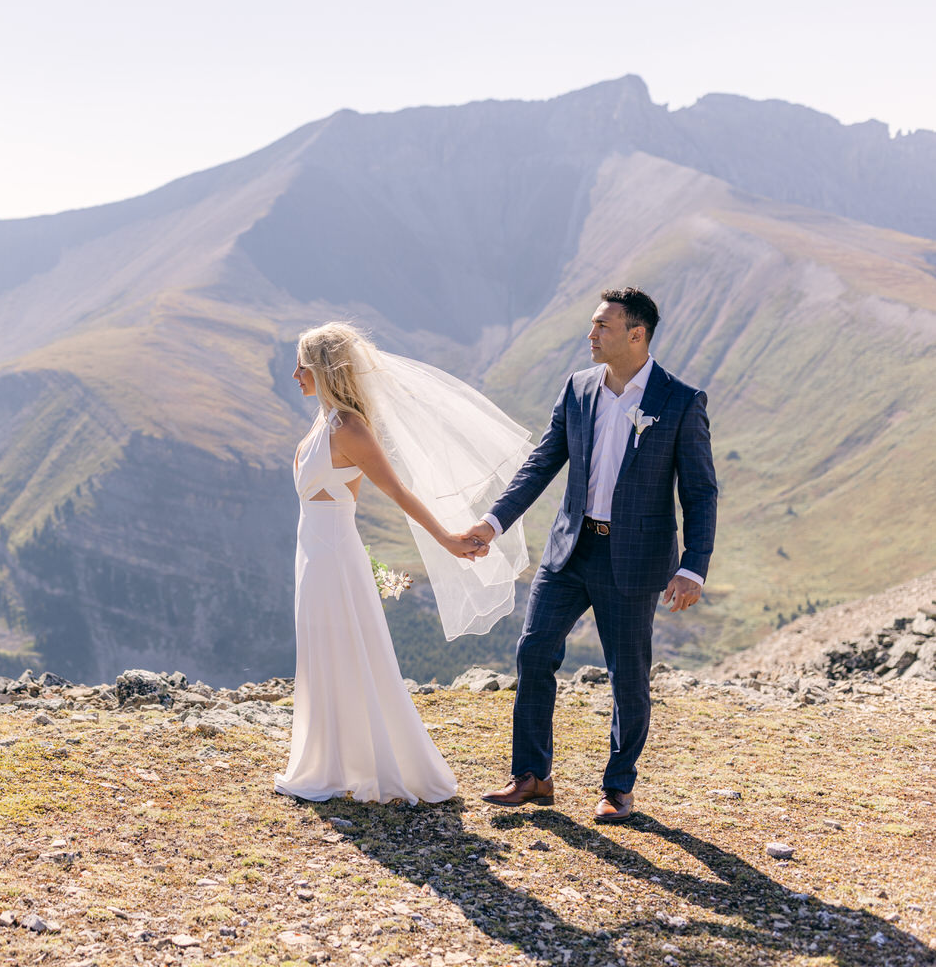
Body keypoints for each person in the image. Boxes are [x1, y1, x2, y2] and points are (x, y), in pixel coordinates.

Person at [464, 288, 718, 823]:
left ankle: (618, 786)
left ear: (636, 334)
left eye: (603, 326)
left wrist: (692, 565)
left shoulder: (680, 401)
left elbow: (700, 491)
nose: (591, 334)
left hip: (636, 560)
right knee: (534, 653)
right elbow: (542, 463)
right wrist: (492, 523)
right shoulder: (578, 388)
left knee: (628, 676)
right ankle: (532, 775)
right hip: (570, 549)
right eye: (592, 324)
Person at [274, 322, 532, 804]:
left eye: (303, 366)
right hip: (313, 555)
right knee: (321, 650)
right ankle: (328, 759)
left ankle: (364, 765)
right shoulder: (322, 423)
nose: (294, 374)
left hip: (332, 557)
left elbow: (397, 491)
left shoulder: (349, 428)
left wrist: (447, 539)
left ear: (325, 371)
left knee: (347, 650)